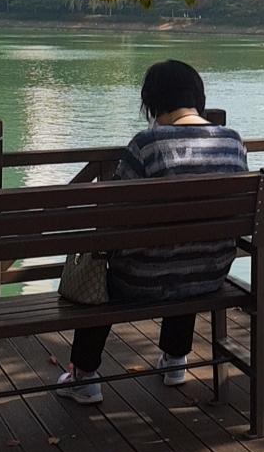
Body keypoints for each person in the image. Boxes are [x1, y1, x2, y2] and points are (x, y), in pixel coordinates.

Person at [57, 60, 248, 403]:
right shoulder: (233, 142)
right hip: (211, 275)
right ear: (197, 97)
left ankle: (84, 377)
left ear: (153, 101)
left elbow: (113, 220)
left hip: (142, 282)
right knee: (188, 248)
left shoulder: (146, 144)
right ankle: (175, 361)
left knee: (108, 272)